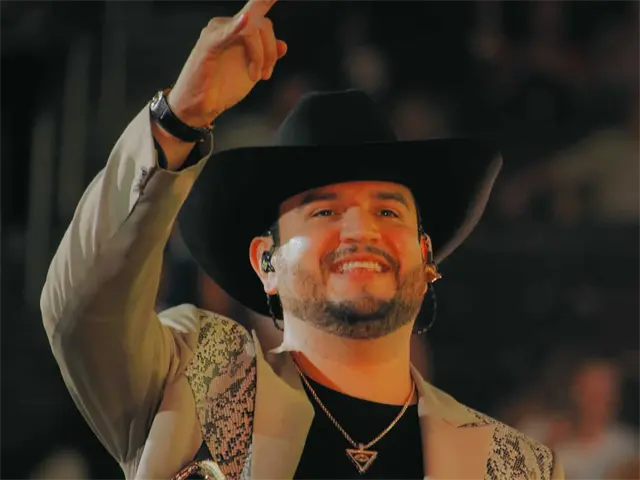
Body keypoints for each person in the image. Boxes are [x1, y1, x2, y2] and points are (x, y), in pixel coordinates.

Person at [41, 0, 564, 478]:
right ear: (266, 262)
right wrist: (181, 117)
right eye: (325, 211)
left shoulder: (517, 467)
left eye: (387, 210)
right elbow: (83, 309)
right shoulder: (194, 376)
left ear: (425, 256)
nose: (361, 229)